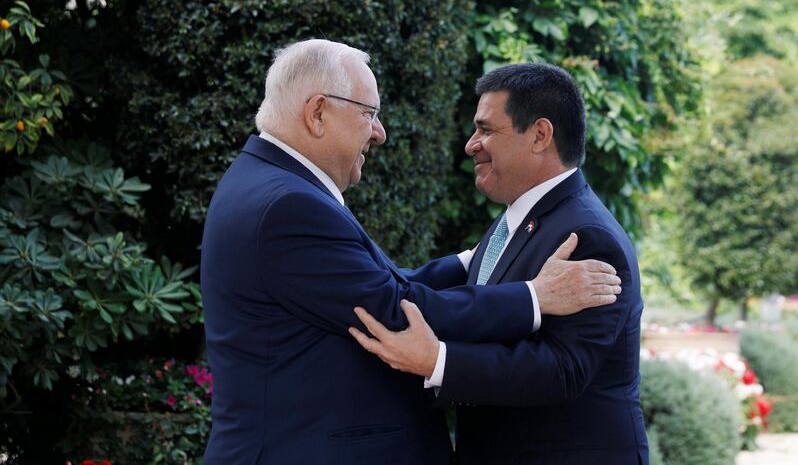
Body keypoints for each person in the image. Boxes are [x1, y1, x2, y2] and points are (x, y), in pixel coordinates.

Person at [200, 40, 622, 465]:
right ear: (318, 112)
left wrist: (467, 263)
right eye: (369, 113)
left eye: (487, 129)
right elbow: (390, 305)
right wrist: (534, 297)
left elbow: (377, 286)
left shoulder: (267, 185)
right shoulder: (288, 205)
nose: (379, 133)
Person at [351, 62, 648, 464]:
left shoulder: (587, 237)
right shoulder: (518, 219)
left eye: (486, 130)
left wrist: (436, 360)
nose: (471, 144)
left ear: (540, 135)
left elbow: (563, 369)